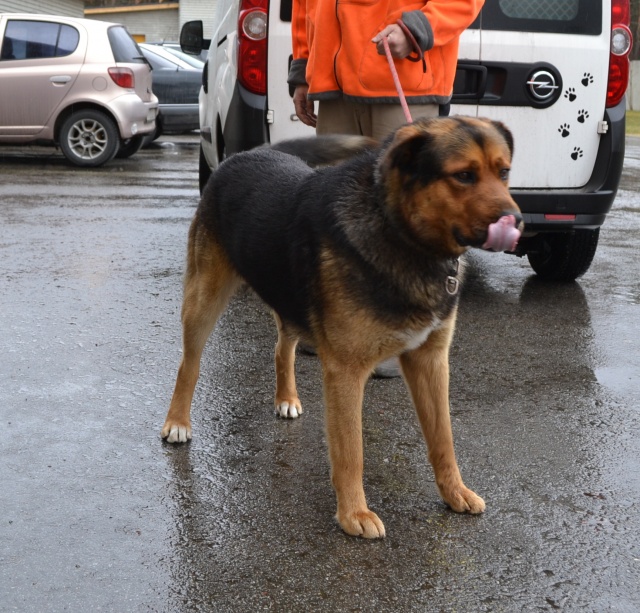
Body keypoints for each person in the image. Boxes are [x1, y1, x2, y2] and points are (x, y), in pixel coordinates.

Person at [287, 0, 484, 377]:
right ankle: (333, 324)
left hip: (403, 74)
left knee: (400, 215)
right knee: (331, 212)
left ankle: (395, 336)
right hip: (333, 82)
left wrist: (416, 29)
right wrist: (303, 69)